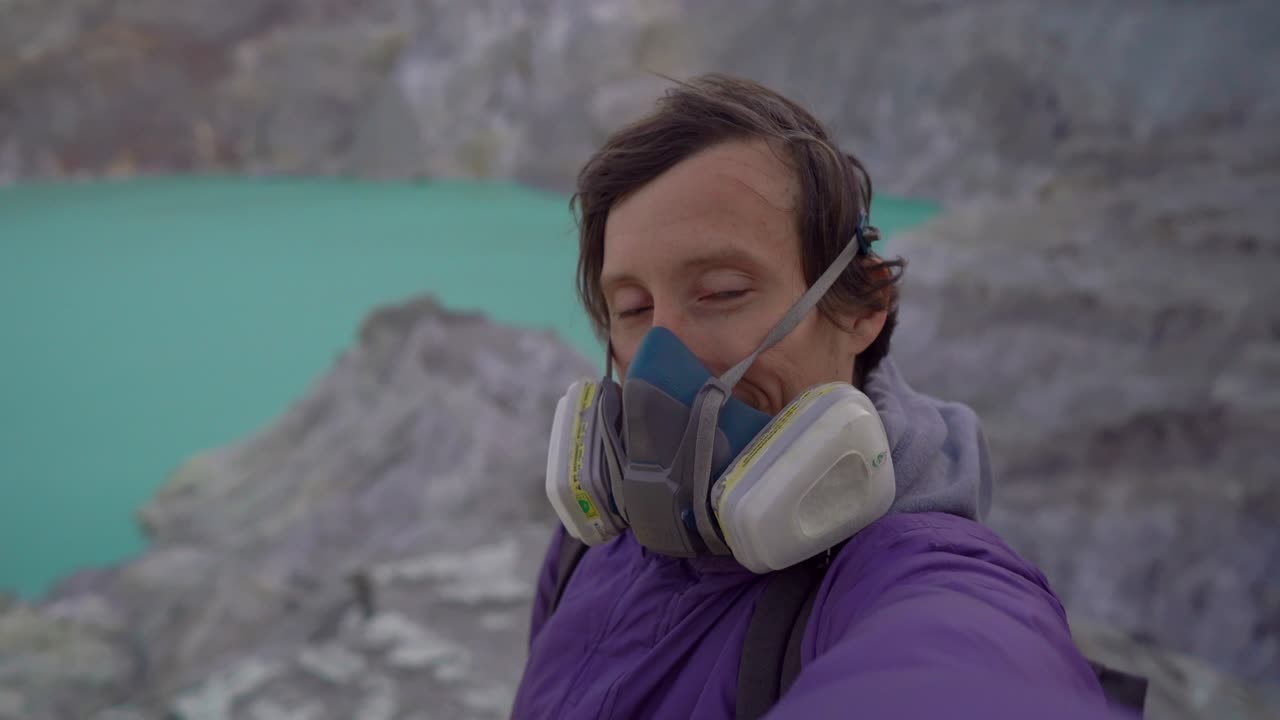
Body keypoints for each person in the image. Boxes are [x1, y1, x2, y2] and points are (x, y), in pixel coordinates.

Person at [512, 73, 1130, 719]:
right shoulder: (589, 548)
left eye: (723, 291)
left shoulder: (927, 586)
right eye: (634, 308)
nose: (664, 360)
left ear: (862, 305)